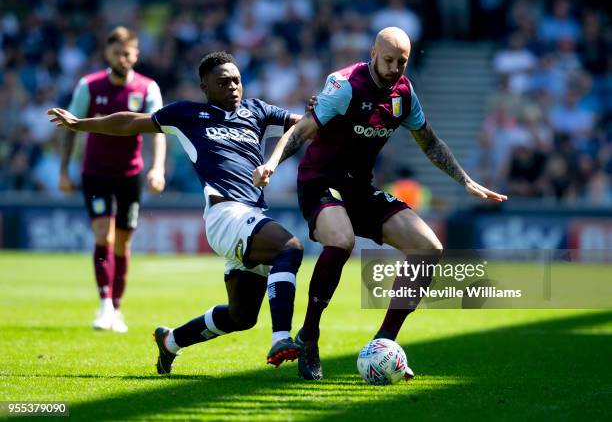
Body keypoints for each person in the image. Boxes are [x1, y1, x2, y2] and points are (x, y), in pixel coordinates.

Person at [254, 27, 508, 380]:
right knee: (341, 240)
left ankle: (385, 341)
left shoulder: (403, 94)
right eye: (388, 59)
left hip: (359, 188)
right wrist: (272, 162)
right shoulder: (344, 86)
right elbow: (302, 131)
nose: (394, 68)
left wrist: (466, 181)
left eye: (401, 62)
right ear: (373, 52)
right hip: (319, 183)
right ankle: (309, 336)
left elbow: (430, 142)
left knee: (428, 248)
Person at [49, 51, 306, 374]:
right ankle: (281, 338)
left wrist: (318, 113)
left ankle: (171, 341)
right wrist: (81, 124)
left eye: (236, 80)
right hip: (226, 214)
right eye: (222, 82)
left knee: (241, 317)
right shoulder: (187, 115)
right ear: (204, 87)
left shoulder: (257, 111)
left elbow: (304, 127)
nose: (233, 87)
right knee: (290, 248)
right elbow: (130, 121)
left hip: (249, 216)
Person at [58, 27, 166, 333]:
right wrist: (64, 170)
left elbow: (159, 132)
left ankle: (116, 308)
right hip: (95, 173)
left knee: (123, 241)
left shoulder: (148, 88)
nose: (122, 58)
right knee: (103, 234)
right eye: (117, 52)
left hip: (129, 175)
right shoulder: (89, 86)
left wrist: (157, 169)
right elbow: (71, 126)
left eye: (127, 53)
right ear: (107, 53)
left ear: (136, 54)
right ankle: (104, 303)